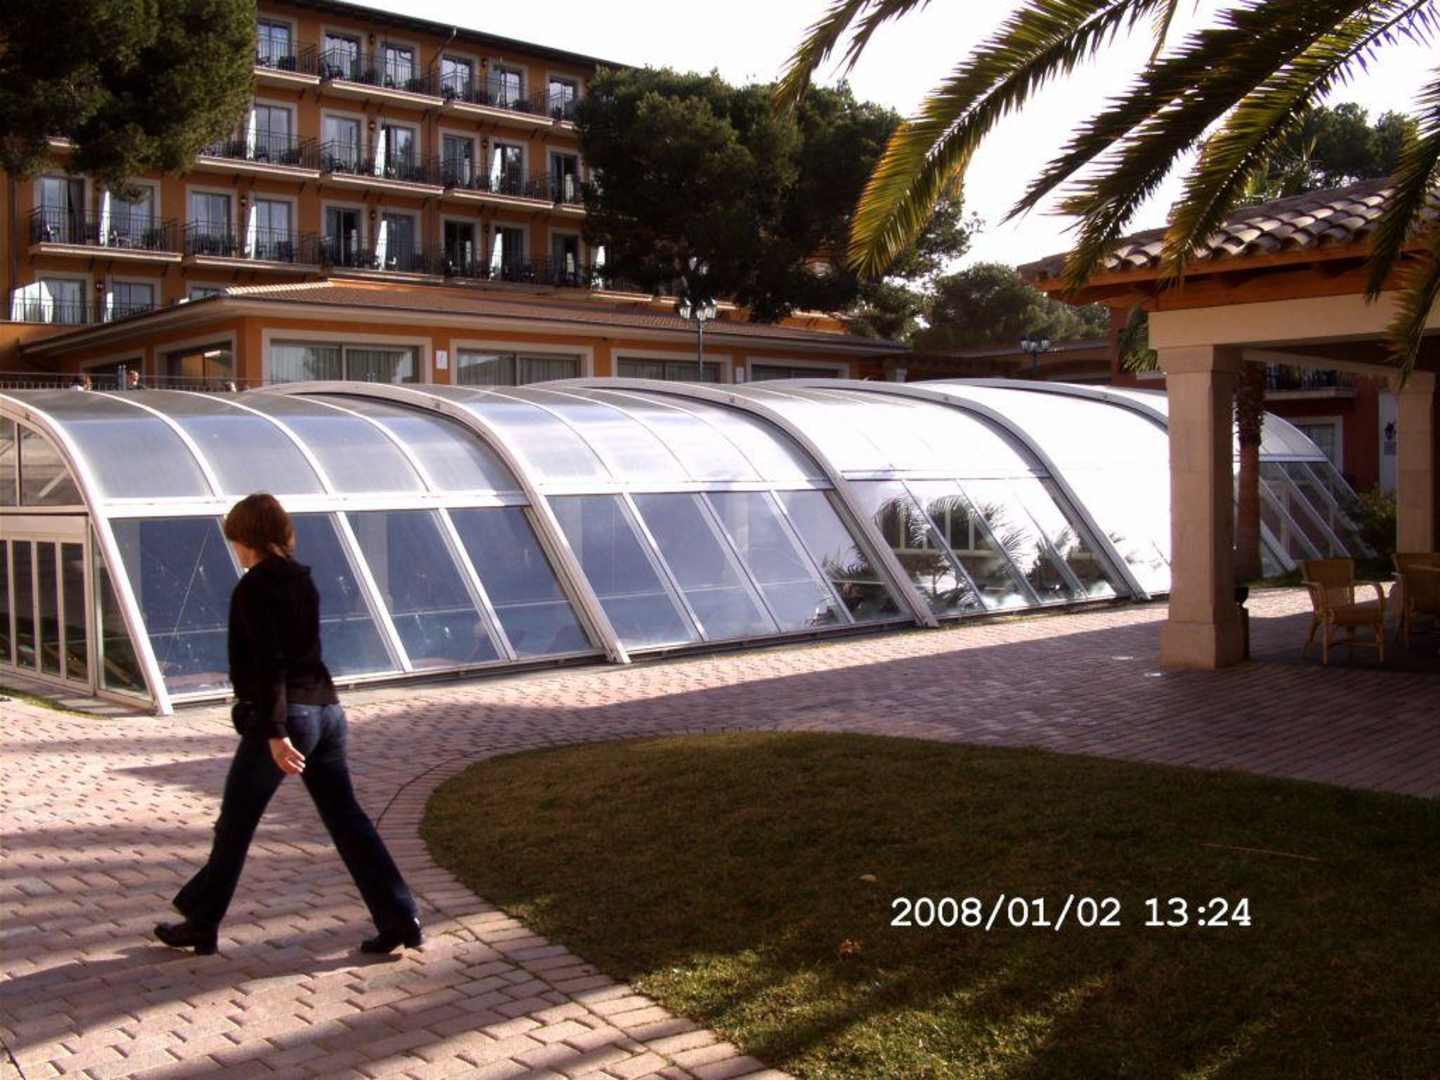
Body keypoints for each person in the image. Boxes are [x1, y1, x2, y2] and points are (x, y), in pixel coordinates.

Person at [155, 494, 421, 957]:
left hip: (286, 718)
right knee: (348, 819)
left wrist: (275, 733)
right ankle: (400, 916)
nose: (236, 549)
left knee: (235, 825)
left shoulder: (254, 587)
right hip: (327, 711)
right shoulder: (303, 581)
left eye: (236, 540)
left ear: (249, 537)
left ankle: (202, 923)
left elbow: (270, 664)